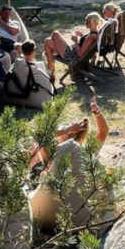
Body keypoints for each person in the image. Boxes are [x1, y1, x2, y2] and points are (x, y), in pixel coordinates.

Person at [29, 97, 111, 230]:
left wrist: (66, 130)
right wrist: (97, 112)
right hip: (78, 212)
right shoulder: (87, 151)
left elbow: (39, 136)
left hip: (50, 209)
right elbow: (104, 131)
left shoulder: (55, 152)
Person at [4, 40, 55, 108]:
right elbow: (48, 79)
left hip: (22, 92)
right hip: (38, 97)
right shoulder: (39, 66)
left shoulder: (17, 65)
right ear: (33, 51)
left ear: (22, 51)